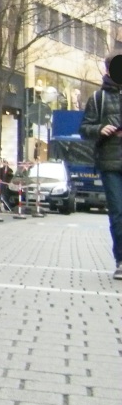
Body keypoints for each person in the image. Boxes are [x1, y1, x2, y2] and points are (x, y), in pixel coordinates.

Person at [80, 53, 122, 280]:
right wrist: (100, 129)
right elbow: (84, 128)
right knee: (118, 213)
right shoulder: (98, 98)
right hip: (110, 163)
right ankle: (121, 260)